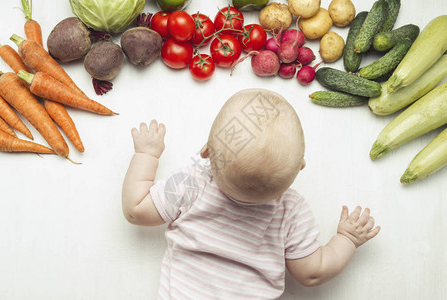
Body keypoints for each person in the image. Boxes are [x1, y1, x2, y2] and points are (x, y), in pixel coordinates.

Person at [122, 88, 380, 299]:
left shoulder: (194, 180)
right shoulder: (291, 211)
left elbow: (136, 210)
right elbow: (311, 273)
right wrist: (346, 239)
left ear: (207, 153)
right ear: (299, 168)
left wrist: (146, 155)